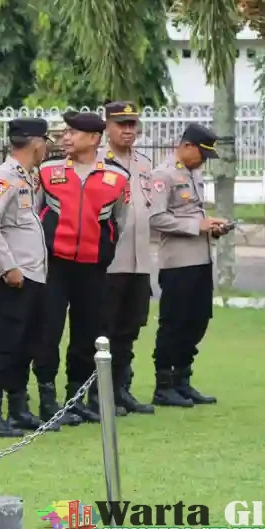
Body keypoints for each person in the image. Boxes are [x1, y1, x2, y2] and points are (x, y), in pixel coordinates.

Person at [33, 110, 129, 427]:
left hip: (93, 269)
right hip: (55, 266)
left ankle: (76, 398)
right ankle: (48, 399)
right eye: (65, 132)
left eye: (73, 132)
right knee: (48, 330)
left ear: (94, 139)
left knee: (87, 333)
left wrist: (105, 251)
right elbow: (34, 215)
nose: (66, 137)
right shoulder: (47, 170)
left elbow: (120, 221)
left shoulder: (117, 177)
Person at [0, 118, 55, 437]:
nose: (46, 148)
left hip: (33, 275)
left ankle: (18, 408)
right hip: (14, 278)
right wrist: (8, 266)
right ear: (36, 143)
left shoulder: (27, 176)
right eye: (45, 143)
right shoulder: (5, 176)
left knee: (27, 344)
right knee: (5, 345)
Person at [148, 123, 232, 407]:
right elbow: (156, 218)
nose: (204, 161)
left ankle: (183, 380)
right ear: (186, 146)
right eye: (202, 154)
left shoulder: (194, 174)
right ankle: (164, 384)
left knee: (198, 321)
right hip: (177, 262)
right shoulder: (163, 175)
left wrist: (213, 227)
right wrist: (198, 225)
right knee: (174, 323)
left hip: (200, 259)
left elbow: (196, 216)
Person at [99, 102, 156, 415]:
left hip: (139, 261)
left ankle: (122, 389)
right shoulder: (98, 162)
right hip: (110, 262)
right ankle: (99, 392)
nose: (128, 130)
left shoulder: (144, 163)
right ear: (107, 126)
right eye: (121, 124)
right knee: (104, 330)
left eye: (132, 124)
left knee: (129, 330)